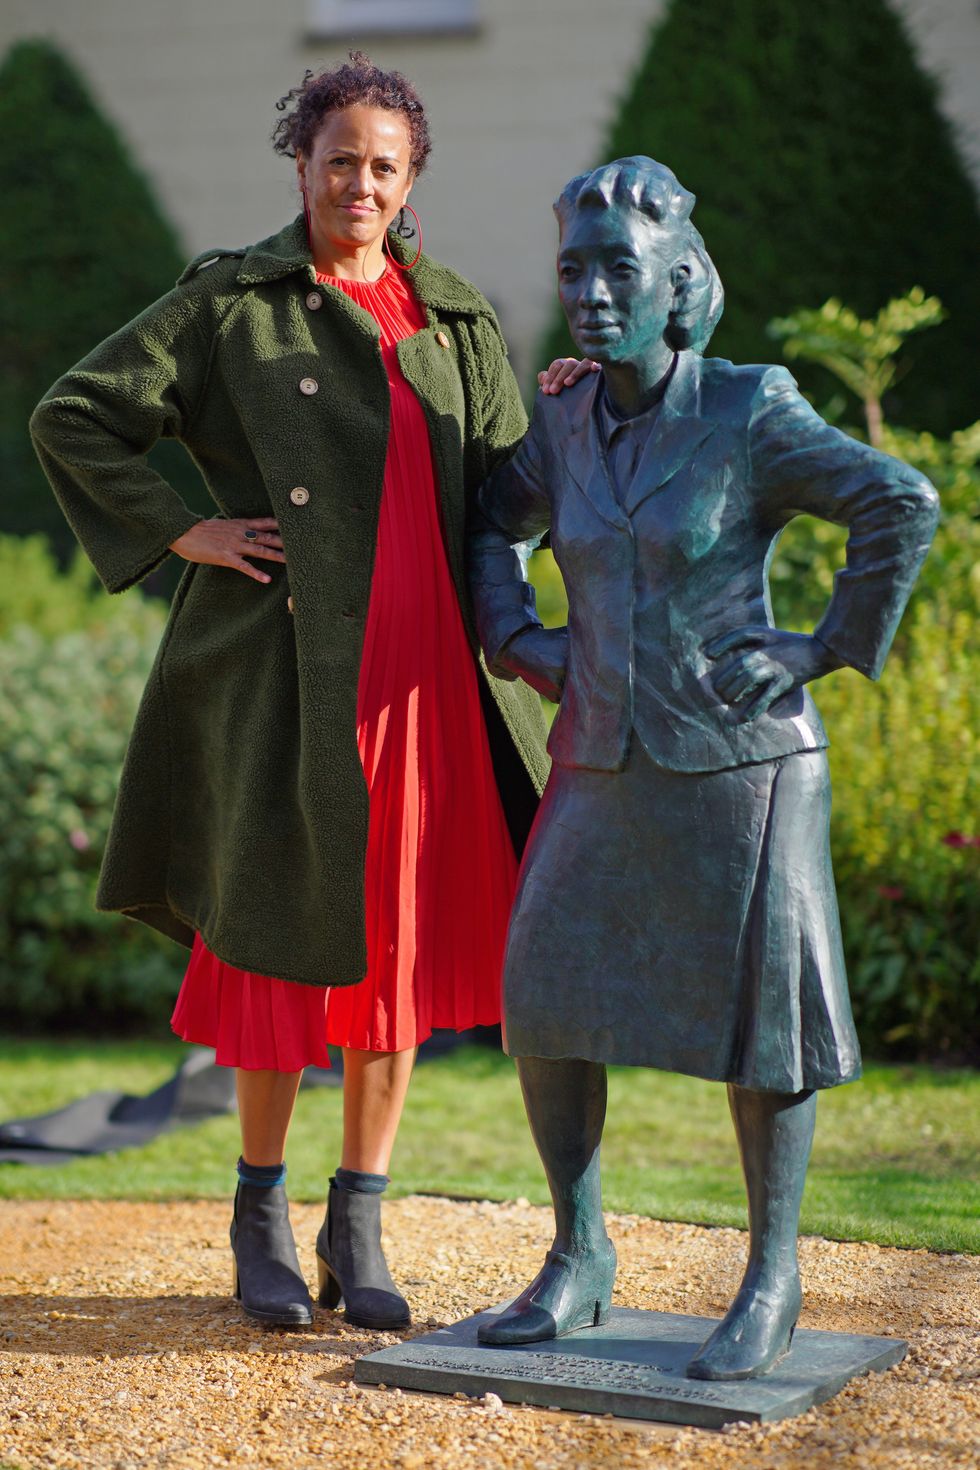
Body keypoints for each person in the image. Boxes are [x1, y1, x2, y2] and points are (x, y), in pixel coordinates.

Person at [30, 53, 591, 1333]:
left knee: (394, 947)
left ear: (410, 177)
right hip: (288, 674)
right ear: (302, 163)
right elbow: (77, 413)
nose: (360, 185)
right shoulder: (234, 303)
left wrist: (564, 413)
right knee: (283, 942)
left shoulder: (453, 317)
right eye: (340, 160)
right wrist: (181, 530)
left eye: (384, 165)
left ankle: (359, 1219)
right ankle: (260, 1212)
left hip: (428, 680)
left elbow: (506, 488)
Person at [469, 156, 939, 1378]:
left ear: (677, 283)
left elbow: (897, 502)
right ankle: (578, 1257)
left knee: (764, 1031)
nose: (589, 295)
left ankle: (771, 1278)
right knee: (544, 993)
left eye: (616, 271)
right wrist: (517, 639)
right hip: (597, 750)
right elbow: (491, 524)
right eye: (572, 271)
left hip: (745, 765)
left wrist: (823, 647)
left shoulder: (746, 409)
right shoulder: (562, 419)